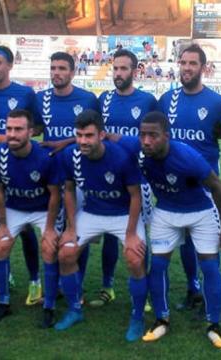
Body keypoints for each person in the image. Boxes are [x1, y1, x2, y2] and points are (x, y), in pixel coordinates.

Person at [114, 111, 221, 349]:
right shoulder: (139, 148)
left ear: (166, 136)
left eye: (153, 136)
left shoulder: (188, 157)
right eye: (142, 135)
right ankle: (162, 319)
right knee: (157, 266)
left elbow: (217, 186)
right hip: (166, 213)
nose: (146, 140)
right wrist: (62, 143)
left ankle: (214, 325)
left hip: (200, 212)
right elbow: (107, 137)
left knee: (209, 266)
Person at [56, 110, 147, 343]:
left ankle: (138, 317)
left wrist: (130, 235)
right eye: (79, 135)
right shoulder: (70, 155)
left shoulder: (121, 157)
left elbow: (135, 196)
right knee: (66, 253)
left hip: (123, 214)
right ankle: (75, 309)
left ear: (102, 135)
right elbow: (68, 190)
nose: (82, 141)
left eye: (89, 135)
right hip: (93, 211)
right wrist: (70, 226)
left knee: (135, 258)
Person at [157, 44, 221, 313]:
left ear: (203, 67)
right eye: (183, 63)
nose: (187, 68)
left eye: (193, 63)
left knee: (208, 243)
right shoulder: (167, 100)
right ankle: (193, 288)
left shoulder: (219, 104)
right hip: (175, 186)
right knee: (186, 240)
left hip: (206, 186)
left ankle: (210, 296)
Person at [0, 45, 43, 306]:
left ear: (10, 65)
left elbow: (36, 129)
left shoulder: (25, 93)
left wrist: (1, 138)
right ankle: (6, 275)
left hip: (18, 166)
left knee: (24, 227)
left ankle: (35, 280)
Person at [91, 49, 157, 308]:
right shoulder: (103, 100)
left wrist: (120, 139)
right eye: (115, 69)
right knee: (109, 234)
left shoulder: (148, 101)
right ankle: (108, 286)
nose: (118, 74)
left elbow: (157, 137)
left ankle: (147, 289)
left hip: (140, 178)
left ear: (135, 70)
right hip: (108, 178)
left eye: (123, 69)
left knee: (140, 236)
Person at [0, 109, 61, 327]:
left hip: (42, 209)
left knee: (48, 247)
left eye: (18, 129)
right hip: (15, 208)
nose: (12, 134)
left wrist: (48, 228)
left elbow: (55, 194)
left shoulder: (45, 157)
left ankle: (49, 306)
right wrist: (2, 224)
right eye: (9, 129)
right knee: (0, 245)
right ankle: (3, 302)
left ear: (31, 132)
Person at [34, 51, 99, 293]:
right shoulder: (40, 99)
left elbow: (95, 133)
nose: (56, 73)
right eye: (53, 68)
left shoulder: (88, 99)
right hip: (50, 173)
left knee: (78, 227)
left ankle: (75, 282)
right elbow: (37, 128)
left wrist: (64, 142)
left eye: (62, 69)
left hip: (81, 173)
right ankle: (54, 282)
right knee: (52, 228)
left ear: (72, 72)